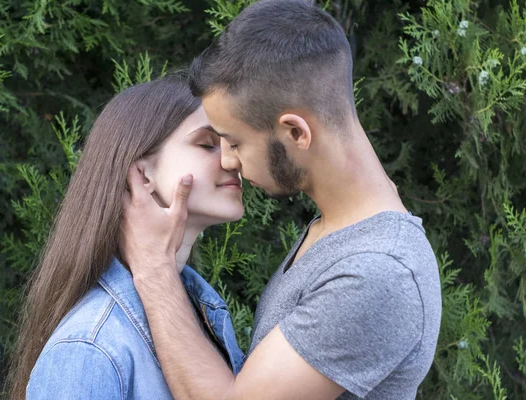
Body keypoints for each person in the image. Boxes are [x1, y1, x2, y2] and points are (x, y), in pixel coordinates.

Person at [120, 0, 443, 399]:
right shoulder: (339, 230)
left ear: (296, 133)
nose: (227, 161)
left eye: (235, 142)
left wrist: (153, 271)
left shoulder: (378, 272)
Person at [4, 73, 246, 400]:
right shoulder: (90, 349)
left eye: (231, 144)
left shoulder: (203, 312)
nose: (233, 160)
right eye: (207, 144)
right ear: (141, 174)